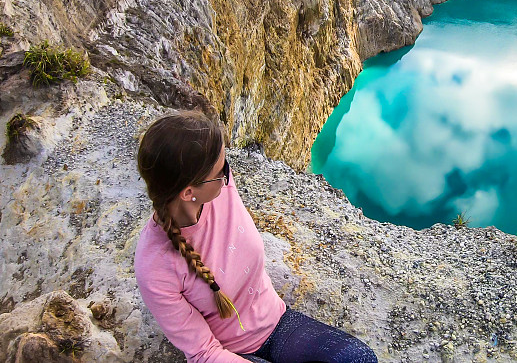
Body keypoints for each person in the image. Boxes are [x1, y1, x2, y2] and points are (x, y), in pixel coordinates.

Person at [134, 110, 377, 363]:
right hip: (230, 353)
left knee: (359, 358)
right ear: (188, 192)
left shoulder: (221, 189)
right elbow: (203, 352)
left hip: (278, 322)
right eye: (221, 170)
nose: (228, 174)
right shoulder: (155, 266)